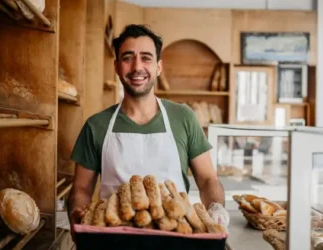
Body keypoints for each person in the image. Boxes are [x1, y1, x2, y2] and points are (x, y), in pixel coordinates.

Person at [67, 24, 229, 238]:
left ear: (158, 67)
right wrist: (78, 220)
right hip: (113, 240)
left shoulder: (183, 117)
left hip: (176, 239)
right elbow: (81, 189)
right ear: (116, 66)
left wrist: (216, 207)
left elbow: (208, 179)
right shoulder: (96, 125)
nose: (137, 67)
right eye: (127, 58)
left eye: (146, 58)